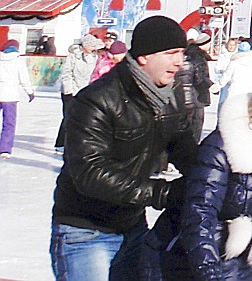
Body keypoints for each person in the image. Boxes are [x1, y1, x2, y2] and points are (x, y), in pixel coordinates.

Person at [50, 15, 198, 281]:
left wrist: (221, 173)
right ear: (144, 56)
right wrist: (162, 193)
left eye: (182, 54)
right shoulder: (97, 100)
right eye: (171, 53)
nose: (179, 62)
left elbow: (187, 152)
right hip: (85, 231)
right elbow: (90, 173)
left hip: (133, 227)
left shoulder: (168, 98)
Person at [154, 80, 252, 280]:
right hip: (183, 257)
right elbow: (199, 215)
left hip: (236, 256)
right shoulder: (221, 149)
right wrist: (209, 274)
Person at [56, 34, 102, 150]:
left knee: (83, 119)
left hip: (86, 91)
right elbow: (67, 73)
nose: (94, 48)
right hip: (71, 91)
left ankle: (78, 143)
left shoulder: (95, 58)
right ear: (85, 46)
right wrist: (69, 91)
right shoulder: (73, 57)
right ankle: (61, 143)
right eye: (92, 46)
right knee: (69, 117)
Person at [0, 40, 36, 158]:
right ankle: (5, 149)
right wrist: (30, 92)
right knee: (9, 123)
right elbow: (24, 79)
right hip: (10, 97)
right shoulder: (18, 61)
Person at [175, 28, 214, 135]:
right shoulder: (199, 56)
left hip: (185, 94)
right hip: (197, 95)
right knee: (195, 126)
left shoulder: (187, 53)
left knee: (186, 125)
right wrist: (210, 85)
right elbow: (199, 77)